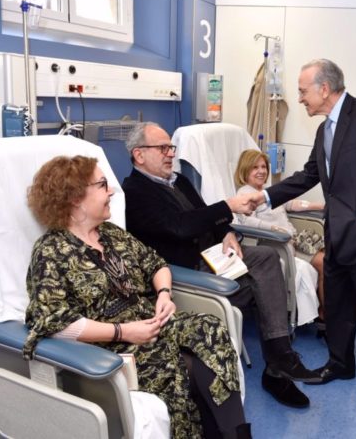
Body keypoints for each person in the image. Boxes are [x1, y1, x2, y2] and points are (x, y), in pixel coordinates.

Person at [22, 155, 250, 439]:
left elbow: (156, 264)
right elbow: (51, 322)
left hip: (150, 320)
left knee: (211, 328)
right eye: (103, 185)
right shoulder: (50, 251)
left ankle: (236, 434)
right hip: (107, 345)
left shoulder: (111, 234)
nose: (112, 191)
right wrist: (123, 331)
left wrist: (164, 294)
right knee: (179, 366)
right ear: (75, 197)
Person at [122, 123, 320, 410]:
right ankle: (278, 367)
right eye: (163, 148)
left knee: (266, 258)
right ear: (139, 155)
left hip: (212, 259)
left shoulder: (179, 181)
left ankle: (278, 361)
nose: (170, 154)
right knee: (260, 282)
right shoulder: (135, 192)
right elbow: (180, 227)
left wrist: (227, 232)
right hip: (185, 275)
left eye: (171, 148)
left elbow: (206, 215)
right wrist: (228, 205)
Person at [249, 58, 356, 404]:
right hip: (338, 236)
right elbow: (309, 175)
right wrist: (264, 196)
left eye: (302, 91)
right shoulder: (325, 130)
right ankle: (340, 364)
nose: (300, 98)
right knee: (338, 307)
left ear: (324, 88)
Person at [234, 148, 325, 327]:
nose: (261, 171)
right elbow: (247, 222)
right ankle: (325, 315)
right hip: (276, 245)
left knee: (329, 256)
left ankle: (327, 309)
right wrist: (275, 229)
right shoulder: (244, 194)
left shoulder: (267, 191)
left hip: (291, 240)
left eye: (263, 166)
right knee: (324, 263)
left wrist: (322, 205)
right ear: (245, 170)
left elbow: (292, 203)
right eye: (255, 167)